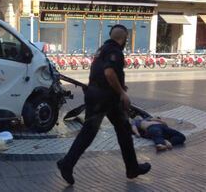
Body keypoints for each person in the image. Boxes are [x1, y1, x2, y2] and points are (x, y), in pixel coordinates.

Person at [57, 25, 151, 185]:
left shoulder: (102, 49)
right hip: (106, 98)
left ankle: (132, 168)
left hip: (97, 95)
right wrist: (122, 93)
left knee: (123, 130)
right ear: (124, 38)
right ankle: (67, 163)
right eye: (126, 39)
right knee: (97, 132)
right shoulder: (115, 51)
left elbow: (101, 72)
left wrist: (119, 87)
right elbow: (109, 72)